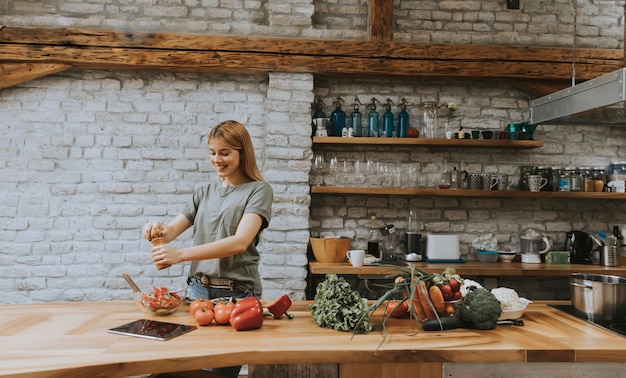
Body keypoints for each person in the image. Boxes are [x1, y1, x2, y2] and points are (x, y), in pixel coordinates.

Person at [142, 120, 273, 378]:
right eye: (212, 152)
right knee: (181, 368)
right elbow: (170, 231)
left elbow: (240, 242)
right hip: (197, 293)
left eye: (225, 152)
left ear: (242, 152)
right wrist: (154, 230)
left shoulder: (259, 190)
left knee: (217, 374)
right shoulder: (204, 191)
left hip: (236, 295)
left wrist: (179, 255)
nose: (217, 159)